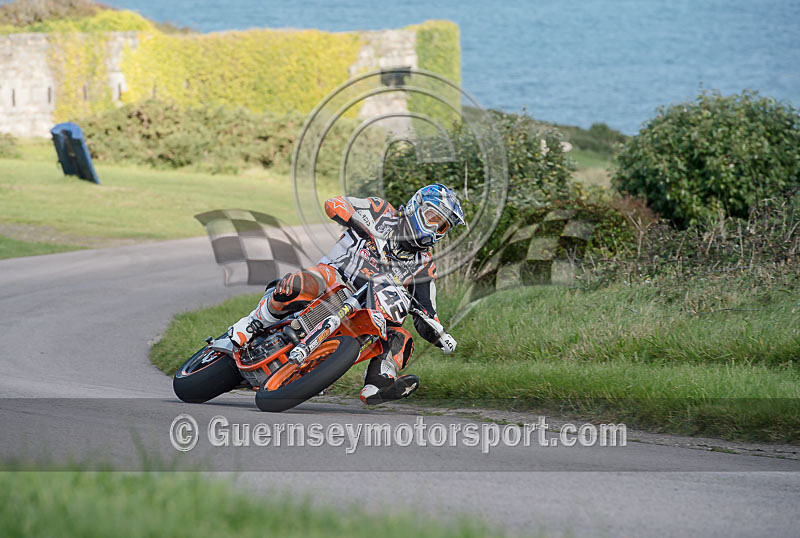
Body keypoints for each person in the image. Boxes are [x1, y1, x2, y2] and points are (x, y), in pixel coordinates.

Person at [227, 183, 464, 405]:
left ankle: (378, 386)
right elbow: (336, 203)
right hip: (335, 278)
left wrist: (439, 335)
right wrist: (358, 223)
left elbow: (427, 311)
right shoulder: (381, 211)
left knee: (402, 338)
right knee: (304, 282)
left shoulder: (425, 264)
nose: (434, 228)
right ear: (416, 207)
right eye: (432, 218)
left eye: (442, 225)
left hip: (371, 307)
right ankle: (252, 322)